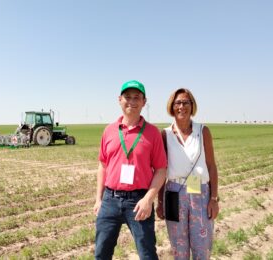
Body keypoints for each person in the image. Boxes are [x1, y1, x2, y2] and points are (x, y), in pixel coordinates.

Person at [94, 80, 167, 259]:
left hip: (139, 201)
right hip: (109, 200)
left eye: (137, 97)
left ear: (144, 101)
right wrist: (98, 199)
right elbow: (102, 166)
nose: (132, 101)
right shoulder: (109, 131)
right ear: (119, 100)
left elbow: (161, 170)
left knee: (147, 253)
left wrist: (148, 199)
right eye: (127, 97)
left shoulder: (152, 133)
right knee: (101, 253)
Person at [156, 88, 219, 259]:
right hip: (173, 193)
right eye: (178, 103)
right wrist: (160, 202)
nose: (181, 106)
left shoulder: (203, 131)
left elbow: (211, 166)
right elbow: (161, 169)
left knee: (202, 244)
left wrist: (213, 199)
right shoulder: (165, 134)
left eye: (186, 102)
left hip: (200, 191)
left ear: (192, 106)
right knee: (178, 246)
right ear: (172, 106)